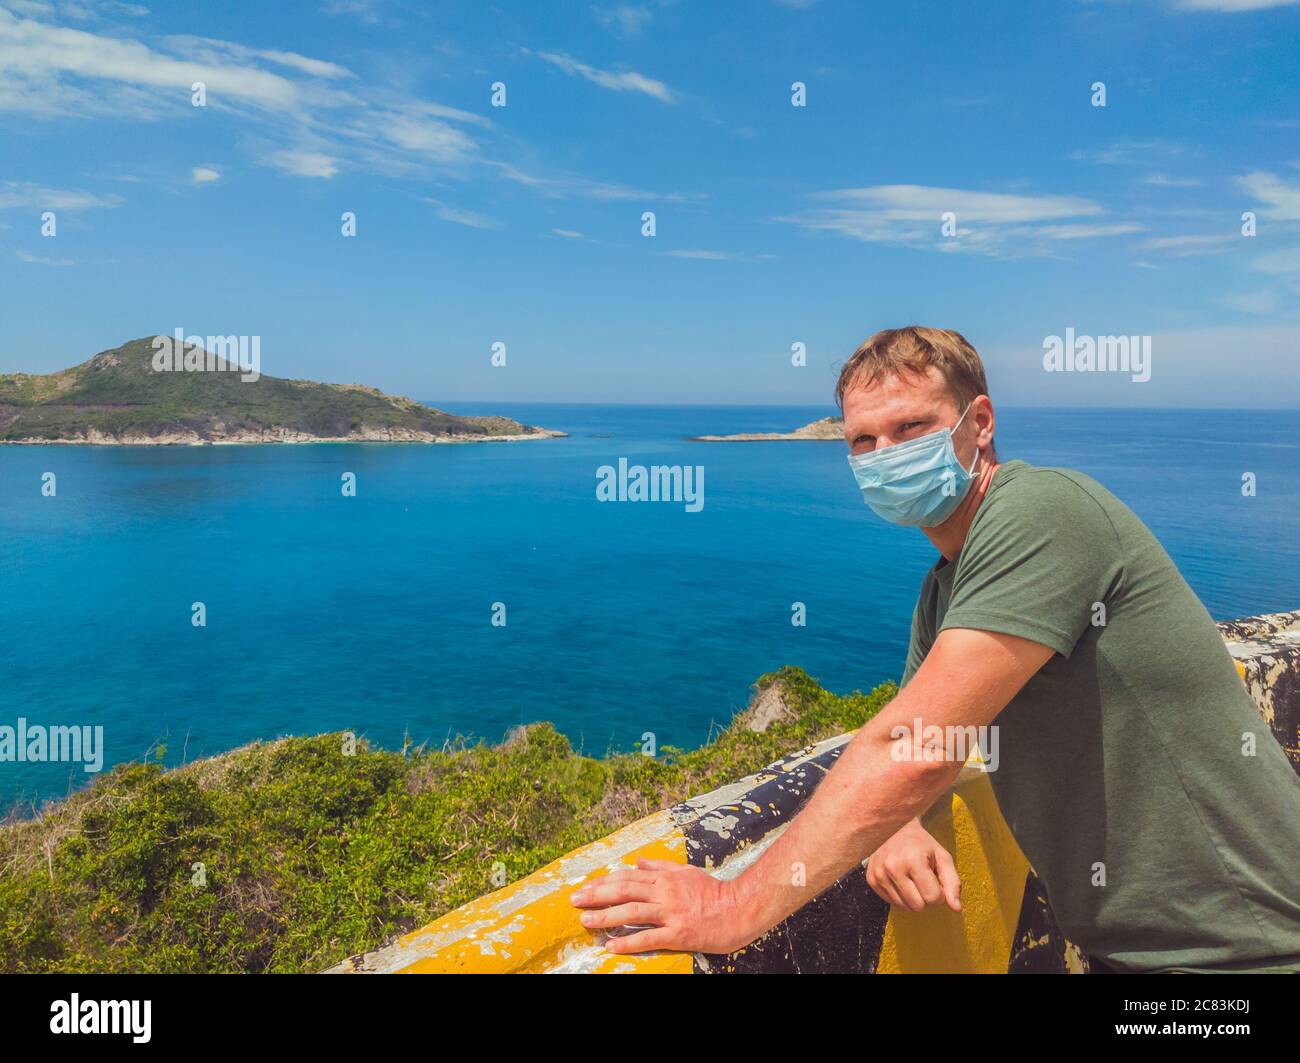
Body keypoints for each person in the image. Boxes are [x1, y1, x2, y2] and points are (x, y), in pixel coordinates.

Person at [570, 326, 1300, 973]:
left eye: (911, 427)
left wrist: (733, 907)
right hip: (1140, 952)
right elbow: (927, 733)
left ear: (978, 422)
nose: (883, 455)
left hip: (1249, 950)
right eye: (863, 440)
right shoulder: (945, 590)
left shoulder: (1042, 511)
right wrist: (897, 823)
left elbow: (909, 749)